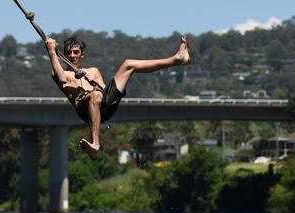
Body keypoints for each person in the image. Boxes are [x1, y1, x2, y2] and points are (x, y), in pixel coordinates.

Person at [45, 35, 191, 159]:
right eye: (69, 53)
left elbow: (104, 90)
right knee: (95, 96)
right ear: (63, 55)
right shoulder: (60, 73)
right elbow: (62, 79)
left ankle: (177, 59)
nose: (72, 56)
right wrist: (51, 51)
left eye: (76, 52)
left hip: (105, 105)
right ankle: (95, 143)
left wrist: (93, 81)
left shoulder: (93, 71)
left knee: (129, 64)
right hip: (85, 109)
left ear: (82, 55)